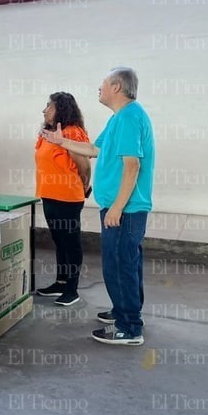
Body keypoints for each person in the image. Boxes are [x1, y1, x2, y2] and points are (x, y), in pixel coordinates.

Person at [41, 67, 154, 346]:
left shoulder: (129, 117)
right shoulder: (119, 118)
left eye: (103, 84)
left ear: (116, 87)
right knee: (125, 263)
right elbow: (93, 149)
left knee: (120, 266)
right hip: (120, 207)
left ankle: (129, 328)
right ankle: (124, 312)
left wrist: (117, 207)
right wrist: (62, 141)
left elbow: (132, 166)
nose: (99, 89)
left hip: (125, 209)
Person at [35, 92, 91, 306]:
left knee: (71, 243)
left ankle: (72, 289)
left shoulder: (73, 133)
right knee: (59, 241)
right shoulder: (48, 134)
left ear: (61, 109)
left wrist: (84, 185)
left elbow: (84, 165)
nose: (44, 110)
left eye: (48, 106)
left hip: (68, 197)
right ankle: (60, 282)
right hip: (48, 194)